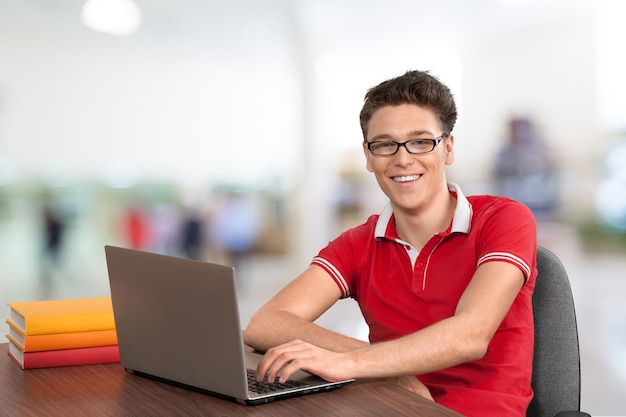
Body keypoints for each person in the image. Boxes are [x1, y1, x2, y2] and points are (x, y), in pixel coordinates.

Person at [243, 70, 537, 417]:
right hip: (392, 409)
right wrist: (389, 373)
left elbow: (469, 336)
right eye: (384, 144)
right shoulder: (358, 244)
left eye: (420, 141)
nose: (402, 158)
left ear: (448, 148)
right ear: (368, 157)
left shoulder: (502, 219)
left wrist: (355, 362)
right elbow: (265, 324)